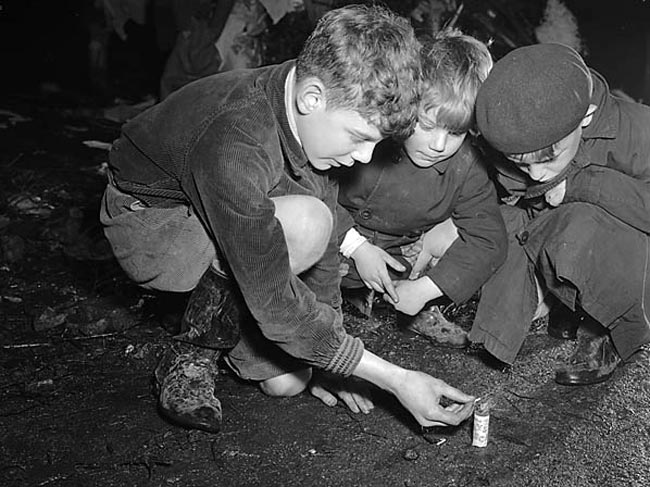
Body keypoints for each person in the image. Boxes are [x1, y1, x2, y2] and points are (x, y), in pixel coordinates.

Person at [100, 4, 476, 434]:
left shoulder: (317, 111)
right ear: (311, 98)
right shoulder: (236, 136)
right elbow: (277, 294)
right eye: (360, 138)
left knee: (288, 382)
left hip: (224, 205)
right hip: (151, 223)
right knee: (305, 223)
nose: (364, 157)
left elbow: (330, 249)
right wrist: (396, 379)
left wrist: (338, 361)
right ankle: (191, 354)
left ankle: (227, 318)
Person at [469, 42, 650, 385]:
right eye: (521, 163)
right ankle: (568, 306)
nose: (536, 174)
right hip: (565, 245)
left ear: (588, 117)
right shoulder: (513, 136)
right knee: (506, 221)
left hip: (633, 257)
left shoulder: (641, 132)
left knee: (578, 223)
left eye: (548, 160)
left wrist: (586, 184)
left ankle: (608, 328)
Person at [337, 29, 507, 348]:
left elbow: (489, 240)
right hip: (338, 240)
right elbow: (312, 188)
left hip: (398, 253)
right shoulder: (371, 129)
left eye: (456, 133)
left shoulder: (466, 164)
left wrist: (428, 287)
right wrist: (354, 247)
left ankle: (413, 303)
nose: (439, 145)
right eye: (426, 126)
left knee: (464, 237)